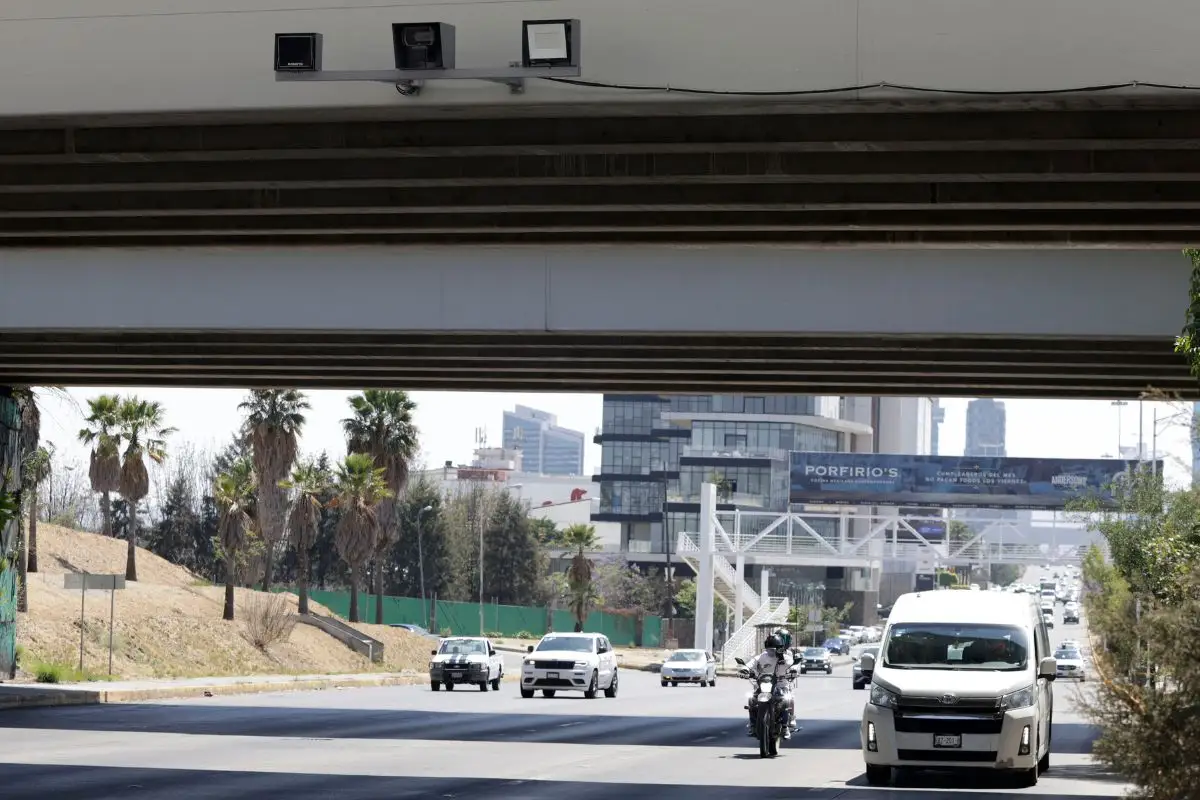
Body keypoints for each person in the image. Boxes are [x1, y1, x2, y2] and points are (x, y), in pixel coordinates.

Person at [742, 628, 799, 738]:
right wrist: (744, 669)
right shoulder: (763, 656)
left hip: (780, 684)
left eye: (774, 649)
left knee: (786, 699)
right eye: (769, 649)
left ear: (780, 648)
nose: (771, 652)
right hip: (764, 683)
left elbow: (794, 665)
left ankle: (785, 726)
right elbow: (751, 663)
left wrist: (794, 670)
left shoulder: (786, 657)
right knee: (752, 699)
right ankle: (753, 724)